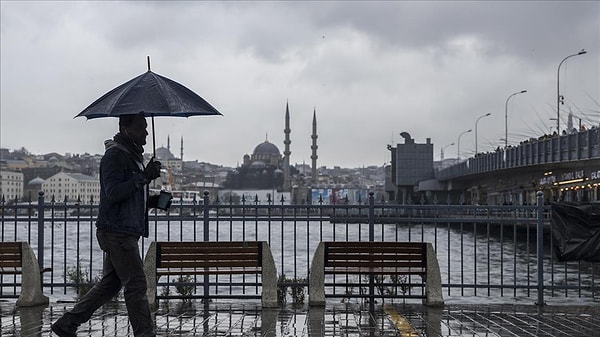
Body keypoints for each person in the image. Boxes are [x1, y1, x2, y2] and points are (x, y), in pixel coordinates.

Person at [52, 113, 169, 337]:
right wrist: (144, 177)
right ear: (126, 129)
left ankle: (66, 324)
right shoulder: (114, 156)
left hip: (124, 231)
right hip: (117, 232)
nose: (146, 132)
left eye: (146, 127)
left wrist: (155, 200)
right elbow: (113, 193)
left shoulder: (133, 157)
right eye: (141, 127)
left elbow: (131, 195)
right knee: (135, 285)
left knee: (110, 285)